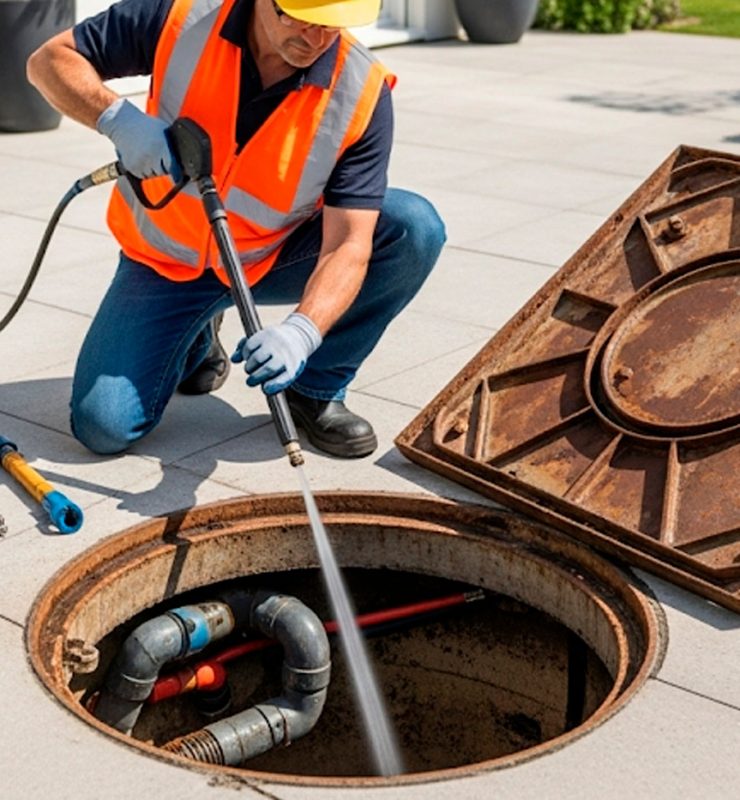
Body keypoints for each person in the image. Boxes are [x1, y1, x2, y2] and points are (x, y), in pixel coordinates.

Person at [27, 0, 446, 459]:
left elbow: (348, 243)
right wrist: (117, 120)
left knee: (413, 228)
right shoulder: (181, 18)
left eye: (333, 26)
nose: (316, 40)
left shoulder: (360, 92)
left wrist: (303, 331)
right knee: (103, 427)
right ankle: (197, 335)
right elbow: (48, 61)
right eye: (303, 19)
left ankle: (315, 388)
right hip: (166, 261)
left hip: (270, 257)